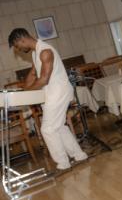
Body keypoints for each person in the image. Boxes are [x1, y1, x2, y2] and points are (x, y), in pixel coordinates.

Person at [8, 28, 88, 173]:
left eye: (18, 47)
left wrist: (25, 93)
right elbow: (33, 74)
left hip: (58, 93)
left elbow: (44, 79)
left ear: (21, 40)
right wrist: (23, 90)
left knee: (47, 129)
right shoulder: (35, 53)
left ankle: (63, 163)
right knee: (58, 127)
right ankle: (79, 155)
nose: (19, 50)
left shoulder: (45, 51)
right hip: (50, 93)